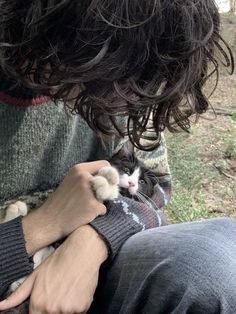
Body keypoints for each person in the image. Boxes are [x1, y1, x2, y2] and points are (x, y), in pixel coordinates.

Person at [0, 1, 235, 313]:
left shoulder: (121, 80)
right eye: (108, 75)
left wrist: (94, 238)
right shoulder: (106, 66)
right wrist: (42, 225)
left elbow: (156, 187)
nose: (121, 101)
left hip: (92, 275)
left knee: (211, 257)